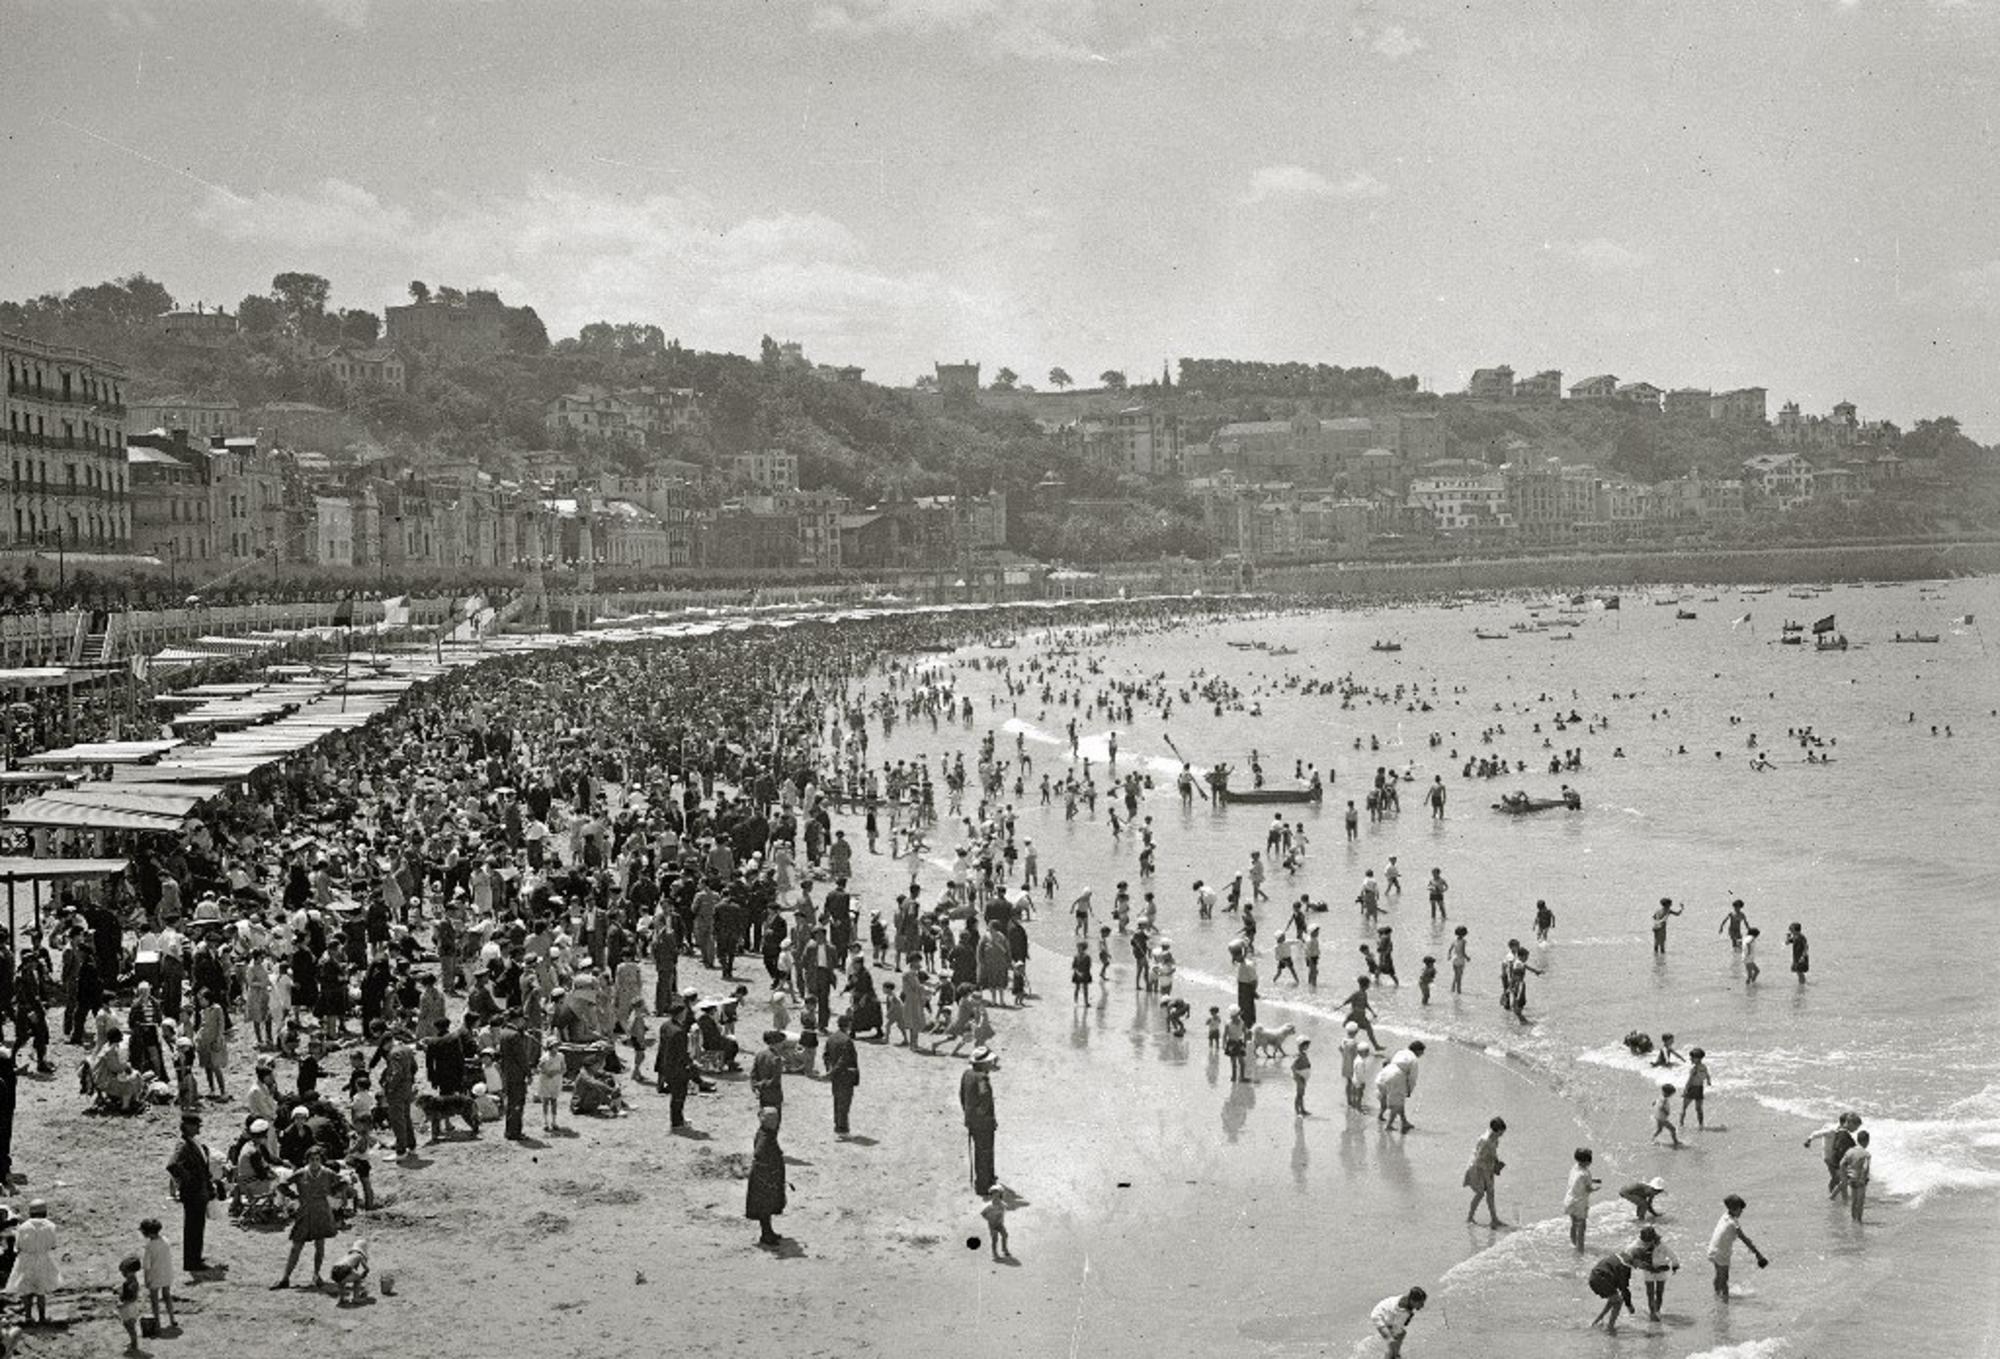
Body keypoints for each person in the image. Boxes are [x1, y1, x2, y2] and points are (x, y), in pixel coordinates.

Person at [273, 1146, 339, 1289]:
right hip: (305, 1211)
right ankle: (285, 1277)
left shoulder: (328, 1173)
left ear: (321, 1160)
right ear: (307, 1160)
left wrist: (333, 1193)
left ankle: (316, 1275)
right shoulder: (301, 1173)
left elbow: (343, 1183)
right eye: (312, 1160)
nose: (315, 1163)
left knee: (320, 1246)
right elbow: (282, 1186)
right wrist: (294, 1196)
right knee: (296, 1247)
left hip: (322, 1212)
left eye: (317, 1159)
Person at [166, 1115, 215, 1274]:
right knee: (193, 1228)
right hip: (193, 1193)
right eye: (196, 1125)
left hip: (197, 1192)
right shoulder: (184, 1145)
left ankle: (195, 1257)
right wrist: (188, 1180)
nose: (199, 1128)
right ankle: (192, 1262)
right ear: (187, 1126)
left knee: (197, 1226)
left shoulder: (191, 1143)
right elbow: (172, 1165)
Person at [4, 1201, 59, 1325]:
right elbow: (53, 1246)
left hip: (25, 1261)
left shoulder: (23, 1227)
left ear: (30, 1212)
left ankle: (28, 1317)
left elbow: (17, 1247)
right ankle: (42, 1317)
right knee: (41, 1292)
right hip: (43, 1260)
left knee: (26, 1291)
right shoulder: (51, 1226)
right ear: (45, 1212)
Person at [1706, 1194, 1768, 1299]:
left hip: (1713, 1250)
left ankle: (1717, 1295)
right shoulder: (1733, 1224)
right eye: (1740, 1209)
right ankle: (1724, 1303)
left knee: (1718, 1275)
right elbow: (1744, 1239)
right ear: (1734, 1209)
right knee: (1724, 1278)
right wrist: (1758, 1254)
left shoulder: (1725, 1216)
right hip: (1722, 1253)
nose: (1742, 1212)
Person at [960, 1046, 1000, 1196]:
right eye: (989, 1062)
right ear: (983, 1064)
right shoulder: (982, 1078)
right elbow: (985, 1099)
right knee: (985, 1152)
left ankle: (987, 1178)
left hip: (971, 1119)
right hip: (983, 1123)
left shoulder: (967, 1074)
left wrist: (968, 1115)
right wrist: (986, 1118)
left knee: (980, 1151)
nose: (991, 1064)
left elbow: (962, 1096)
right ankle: (984, 1185)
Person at [747, 1107, 788, 1247]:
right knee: (764, 1206)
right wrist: (769, 1174)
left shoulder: (766, 1133)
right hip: (764, 1177)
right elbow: (759, 1154)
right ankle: (766, 1234)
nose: (776, 1122)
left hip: (765, 1176)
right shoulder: (765, 1136)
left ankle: (768, 1231)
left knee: (767, 1206)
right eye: (772, 1119)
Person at [1463, 1117, 1507, 1227]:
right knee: (1480, 1193)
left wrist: (1496, 1162)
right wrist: (1492, 1167)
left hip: (1488, 1167)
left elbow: (1493, 1152)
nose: (1502, 1135)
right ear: (1496, 1130)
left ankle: (1494, 1219)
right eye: (1501, 1132)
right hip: (1478, 1168)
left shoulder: (1495, 1138)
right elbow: (1478, 1157)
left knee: (1491, 1193)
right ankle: (1470, 1217)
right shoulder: (1486, 1140)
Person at [1630, 1224, 1680, 1320]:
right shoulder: (1638, 1244)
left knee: (1659, 1292)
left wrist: (1675, 1266)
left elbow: (1672, 1255)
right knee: (1650, 1292)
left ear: (1654, 1239)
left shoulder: (1662, 1245)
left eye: (1649, 1242)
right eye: (1645, 1242)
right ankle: (1652, 1313)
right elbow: (1629, 1251)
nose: (1647, 1244)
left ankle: (1657, 1310)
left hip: (1661, 1269)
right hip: (1648, 1270)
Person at [1805, 1113, 1861, 1197]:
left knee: (1837, 1177)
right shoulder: (1832, 1130)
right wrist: (1809, 1140)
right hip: (1829, 1157)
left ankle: (1834, 1193)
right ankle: (1833, 1195)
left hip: (1836, 1156)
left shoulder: (1843, 1131)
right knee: (1836, 1178)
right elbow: (1817, 1133)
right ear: (1846, 1122)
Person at [824, 1014, 860, 1137]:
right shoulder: (847, 1040)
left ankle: (838, 1125)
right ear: (848, 1024)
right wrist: (833, 1071)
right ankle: (842, 1129)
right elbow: (844, 1059)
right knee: (844, 1103)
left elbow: (826, 1056)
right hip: (845, 1075)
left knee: (837, 1100)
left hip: (836, 1077)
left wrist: (829, 1070)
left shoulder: (831, 1038)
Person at [1587, 1246, 1637, 1333]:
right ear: (1636, 1259)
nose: (1640, 1267)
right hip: (1600, 1279)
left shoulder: (1621, 1257)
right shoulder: (1625, 1266)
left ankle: (1597, 1321)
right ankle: (1610, 1327)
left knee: (1613, 1298)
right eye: (1641, 1263)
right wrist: (1629, 1305)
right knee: (1618, 1301)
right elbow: (1624, 1288)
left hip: (1595, 1276)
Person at [139, 1217, 176, 1333]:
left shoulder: (149, 1247)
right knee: (167, 1296)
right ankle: (172, 1318)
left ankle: (157, 1323)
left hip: (155, 1275)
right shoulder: (166, 1240)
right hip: (167, 1273)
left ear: (148, 1233)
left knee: (155, 1300)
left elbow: (146, 1266)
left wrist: (146, 1280)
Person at [1369, 1286, 1427, 1358]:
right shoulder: (1404, 1312)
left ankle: (1395, 1354)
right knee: (1391, 1341)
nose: (1422, 1306)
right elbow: (1396, 1327)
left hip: (1385, 1310)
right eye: (1420, 1303)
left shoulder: (1406, 1301)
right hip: (1378, 1316)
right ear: (1412, 1300)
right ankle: (1392, 1356)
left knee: (1401, 1334)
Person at [1564, 1147, 1600, 1250]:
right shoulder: (1585, 1174)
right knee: (1582, 1227)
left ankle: (1574, 1244)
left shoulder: (1575, 1167)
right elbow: (1588, 1189)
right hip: (1579, 1203)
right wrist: (1595, 1189)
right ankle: (1580, 1250)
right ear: (1587, 1161)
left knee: (1574, 1225)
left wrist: (1593, 1180)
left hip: (1569, 1200)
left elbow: (1578, 1180)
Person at [1840, 1130, 1873, 1224]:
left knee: (1854, 1201)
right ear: (1867, 1141)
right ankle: (1859, 1220)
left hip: (1851, 1179)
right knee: (1860, 1202)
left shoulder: (1850, 1151)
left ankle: (1853, 1219)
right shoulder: (1866, 1154)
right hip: (1861, 1180)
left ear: (1858, 1140)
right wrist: (1863, 1179)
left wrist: (1844, 1177)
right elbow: (1865, 1167)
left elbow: (1842, 1164)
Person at [116, 1253, 144, 1354]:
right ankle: (133, 1343)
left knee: (130, 1327)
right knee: (128, 1325)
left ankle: (134, 1345)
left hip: (129, 1308)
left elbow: (132, 1298)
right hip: (129, 1307)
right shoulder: (131, 1281)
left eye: (123, 1271)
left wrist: (122, 1305)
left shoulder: (131, 1283)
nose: (122, 1273)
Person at [1681, 1048, 1710, 1129]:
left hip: (1692, 1089)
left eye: (1692, 1057)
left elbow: (1689, 1080)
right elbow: (1707, 1075)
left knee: (1684, 1107)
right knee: (1699, 1109)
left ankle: (1681, 1124)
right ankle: (1701, 1125)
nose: (1691, 1059)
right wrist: (1708, 1081)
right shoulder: (1704, 1067)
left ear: (1698, 1058)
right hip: (1700, 1088)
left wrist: (1685, 1090)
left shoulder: (1694, 1069)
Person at [980, 1187, 1011, 1261]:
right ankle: (994, 1253)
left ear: (1000, 1196)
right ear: (991, 1196)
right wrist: (989, 1218)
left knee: (1005, 1235)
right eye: (994, 1195)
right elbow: (983, 1213)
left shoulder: (1002, 1204)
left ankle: (1004, 1249)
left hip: (1000, 1224)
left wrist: (1001, 1216)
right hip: (992, 1225)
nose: (996, 1198)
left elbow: (1005, 1209)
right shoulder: (989, 1206)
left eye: (998, 1195)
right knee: (995, 1238)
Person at [1291, 1038, 1312, 1116]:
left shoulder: (1303, 1054)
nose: (1307, 1047)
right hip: (1299, 1076)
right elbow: (1293, 1066)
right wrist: (1297, 1076)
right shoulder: (1299, 1055)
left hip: (1303, 1076)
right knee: (1299, 1094)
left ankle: (1302, 1109)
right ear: (1301, 1046)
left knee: (1302, 1094)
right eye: (1306, 1045)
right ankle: (1297, 1111)